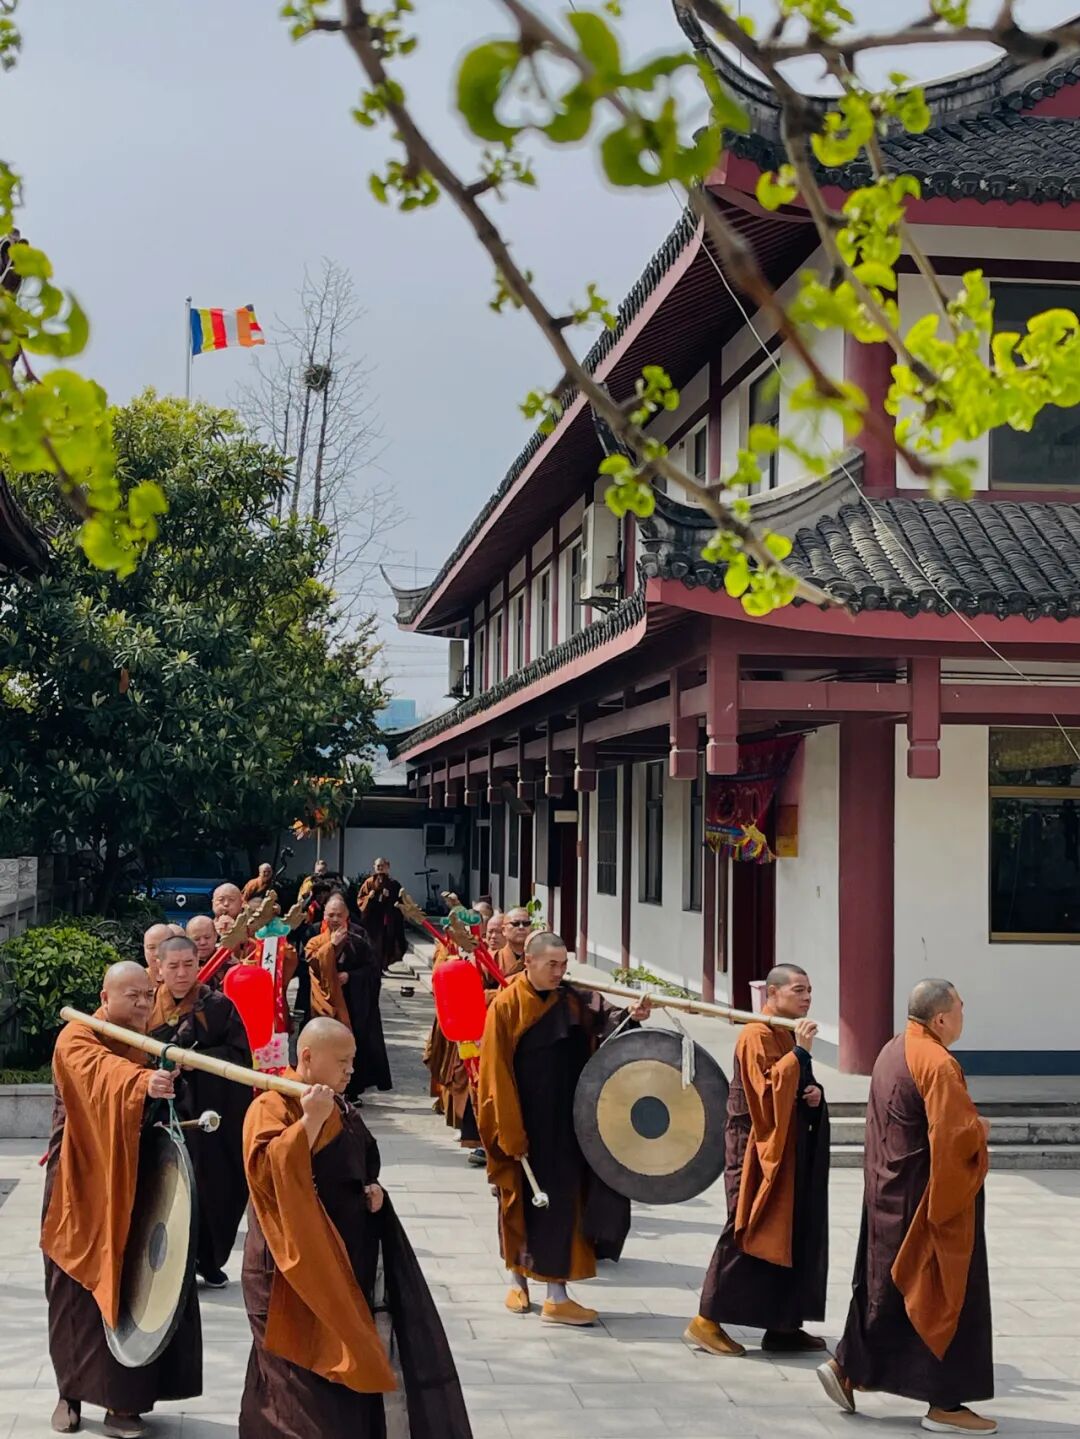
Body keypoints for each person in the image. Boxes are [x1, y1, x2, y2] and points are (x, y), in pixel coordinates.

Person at [239, 1017, 473, 1439]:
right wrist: (308, 1121)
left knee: (343, 1374)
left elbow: (358, 1164)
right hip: (288, 1270)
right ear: (307, 1058)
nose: (350, 1070)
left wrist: (374, 1190)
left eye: (353, 1061)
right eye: (342, 1061)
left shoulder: (338, 1104)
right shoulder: (273, 1105)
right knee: (296, 1382)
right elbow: (267, 1173)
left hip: (343, 1263)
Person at [819, 980, 995, 1436]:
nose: (962, 1013)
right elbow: (954, 1139)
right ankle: (945, 1403)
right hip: (927, 1202)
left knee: (887, 1290)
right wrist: (979, 1130)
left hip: (887, 1193)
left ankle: (848, 1367)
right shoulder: (938, 1062)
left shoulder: (894, 1049)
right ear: (940, 1019)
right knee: (944, 1296)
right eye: (959, 1007)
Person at [41, 961, 202, 1439]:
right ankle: (68, 1394)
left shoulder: (151, 1040)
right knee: (75, 1291)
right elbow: (99, 1072)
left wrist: (168, 1076)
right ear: (105, 997)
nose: (139, 1002)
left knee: (138, 1281)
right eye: (128, 995)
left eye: (144, 995)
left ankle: (125, 1403)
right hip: (80, 1177)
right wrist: (140, 1083)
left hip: (139, 1176)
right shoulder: (78, 1036)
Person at [477, 930, 651, 1325]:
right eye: (551, 965)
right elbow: (494, 1076)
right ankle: (517, 1281)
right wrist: (509, 1132)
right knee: (517, 1201)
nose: (559, 972)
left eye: (563, 965)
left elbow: (607, 1021)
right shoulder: (507, 1006)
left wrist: (630, 1016)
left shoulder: (572, 998)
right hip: (524, 1121)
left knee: (565, 1206)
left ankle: (557, 1292)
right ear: (529, 963)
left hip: (568, 1122)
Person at [685, 963, 830, 1358]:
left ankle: (782, 1324)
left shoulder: (785, 1032)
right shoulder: (756, 1034)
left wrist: (813, 1094)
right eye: (799, 990)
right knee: (745, 1229)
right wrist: (800, 1052)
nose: (807, 997)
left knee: (789, 1230)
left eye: (810, 990)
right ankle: (705, 1321)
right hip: (754, 1150)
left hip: (786, 1148)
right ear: (773, 994)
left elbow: (795, 1084)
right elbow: (766, 1093)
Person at [149, 935, 252, 1289]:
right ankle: (166, 1262)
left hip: (207, 1112)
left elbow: (240, 1059)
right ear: (158, 968)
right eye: (173, 966)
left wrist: (197, 1062)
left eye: (188, 965)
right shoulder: (146, 1007)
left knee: (212, 1184)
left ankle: (207, 1259)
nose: (181, 973)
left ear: (198, 964)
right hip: (158, 1111)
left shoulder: (218, 1006)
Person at [305, 891, 392, 1098]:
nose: (334, 919)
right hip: (326, 1001)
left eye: (339, 915)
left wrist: (350, 976)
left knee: (353, 1045)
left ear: (347, 916)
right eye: (330, 915)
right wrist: (332, 946)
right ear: (324, 915)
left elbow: (372, 970)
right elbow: (312, 962)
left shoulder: (358, 935)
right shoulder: (314, 935)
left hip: (355, 1002)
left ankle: (352, 1091)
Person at [357, 857, 407, 971]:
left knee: (389, 942)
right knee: (375, 943)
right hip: (373, 920)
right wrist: (369, 898)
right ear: (374, 867)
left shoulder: (394, 884)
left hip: (389, 918)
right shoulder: (369, 882)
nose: (380, 868)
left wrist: (389, 897)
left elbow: (400, 900)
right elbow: (360, 899)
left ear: (387, 867)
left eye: (382, 866)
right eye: (378, 866)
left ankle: (385, 964)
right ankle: (375, 966)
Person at [491, 906, 530, 984]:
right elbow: (477, 991)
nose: (521, 927)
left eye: (526, 923)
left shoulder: (539, 959)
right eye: (516, 924)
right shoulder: (492, 959)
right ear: (503, 930)